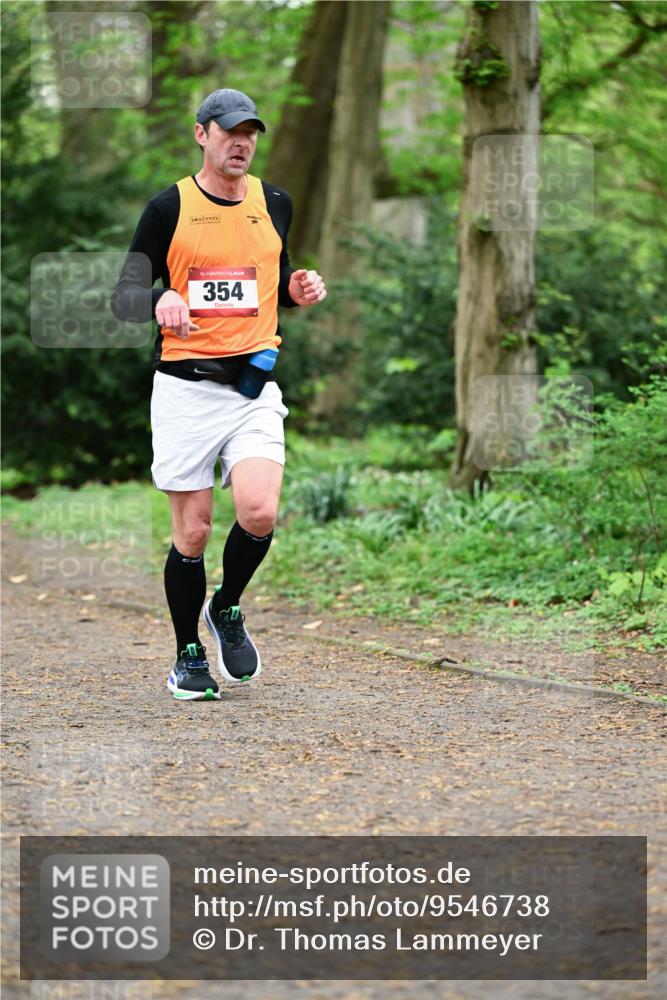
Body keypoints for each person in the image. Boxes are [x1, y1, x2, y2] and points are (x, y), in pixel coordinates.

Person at [113, 88, 326, 701]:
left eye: (251, 133)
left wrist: (298, 286)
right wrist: (159, 297)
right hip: (185, 389)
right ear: (201, 134)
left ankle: (226, 606)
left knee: (259, 511)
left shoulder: (274, 202)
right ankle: (187, 653)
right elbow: (124, 294)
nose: (242, 143)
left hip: (254, 385)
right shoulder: (168, 207)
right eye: (230, 132)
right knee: (196, 531)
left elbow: (268, 280)